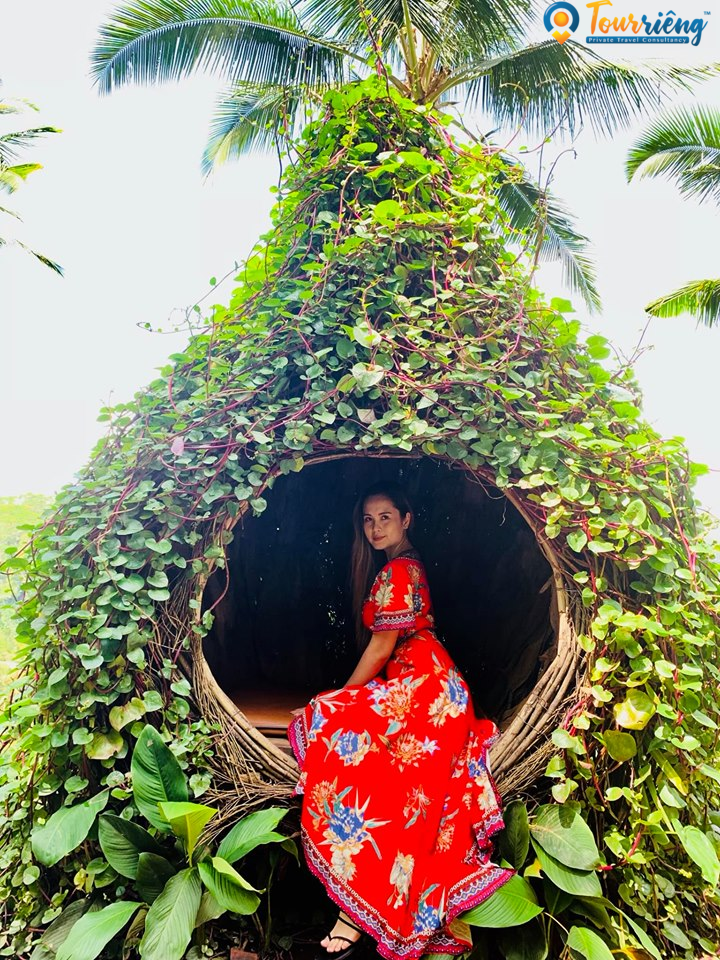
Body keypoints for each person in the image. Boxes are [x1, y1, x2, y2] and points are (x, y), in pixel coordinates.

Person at [288, 482, 513, 960]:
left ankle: (354, 911)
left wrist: (341, 695)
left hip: (425, 687)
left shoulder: (398, 570)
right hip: (430, 685)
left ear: (406, 519)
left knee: (336, 722)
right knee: (384, 774)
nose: (375, 528)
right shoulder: (405, 565)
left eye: (385, 517)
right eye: (368, 520)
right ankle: (358, 908)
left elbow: (380, 647)